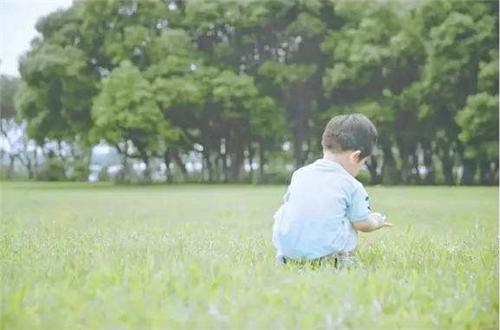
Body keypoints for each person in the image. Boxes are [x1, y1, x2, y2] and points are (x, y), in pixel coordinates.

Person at [272, 114, 392, 269]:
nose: (362, 168)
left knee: (285, 210)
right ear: (355, 156)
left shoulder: (300, 174)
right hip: (324, 251)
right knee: (349, 217)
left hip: (286, 246)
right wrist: (376, 221)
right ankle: (343, 261)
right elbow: (362, 224)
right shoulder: (352, 185)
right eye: (363, 163)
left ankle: (282, 256)